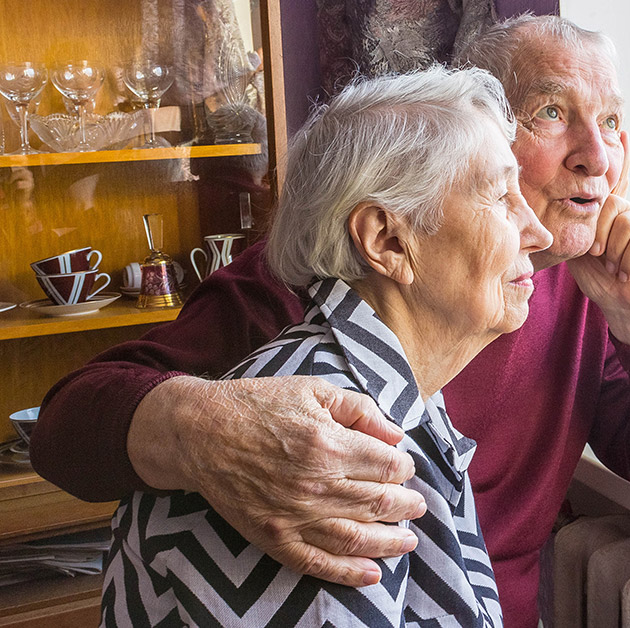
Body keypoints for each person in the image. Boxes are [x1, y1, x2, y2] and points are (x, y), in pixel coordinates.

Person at [32, 15, 630, 628]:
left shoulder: (575, 284)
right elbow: (63, 430)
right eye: (549, 112)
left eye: (609, 123)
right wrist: (204, 429)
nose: (596, 156)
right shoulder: (301, 286)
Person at [102, 66, 551, 626]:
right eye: (501, 195)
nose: (539, 232)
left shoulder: (393, 388)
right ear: (388, 241)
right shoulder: (318, 445)